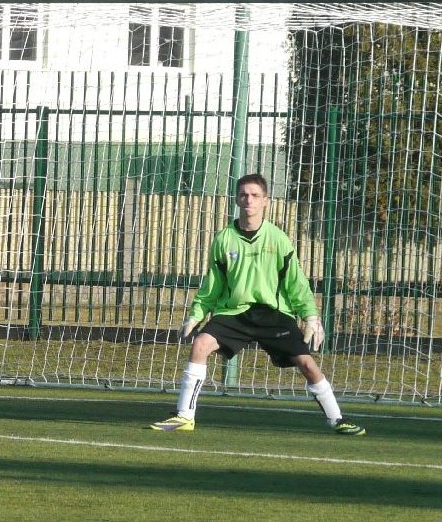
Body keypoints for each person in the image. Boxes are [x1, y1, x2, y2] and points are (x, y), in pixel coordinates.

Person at [150, 173, 365, 436]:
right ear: (237, 199)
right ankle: (184, 416)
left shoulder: (278, 238)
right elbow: (213, 284)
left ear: (266, 201)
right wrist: (196, 315)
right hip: (234, 312)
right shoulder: (224, 238)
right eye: (243, 195)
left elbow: (295, 282)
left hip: (273, 314)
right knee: (200, 345)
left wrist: (310, 316)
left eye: (255, 195)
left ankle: (337, 418)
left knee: (307, 365)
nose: (249, 200)